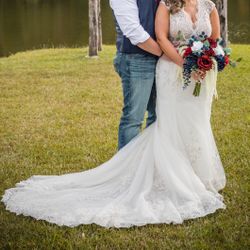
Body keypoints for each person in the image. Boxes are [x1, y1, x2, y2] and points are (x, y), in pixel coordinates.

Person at [1, 0, 226, 228]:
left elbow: (208, 36)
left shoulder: (200, 4)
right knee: (133, 119)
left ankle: (171, 174)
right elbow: (134, 30)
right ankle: (128, 179)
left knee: (165, 120)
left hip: (174, 68)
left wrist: (195, 58)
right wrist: (175, 55)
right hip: (140, 57)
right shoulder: (156, 3)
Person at [111, 0, 163, 149]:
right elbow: (134, 32)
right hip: (136, 59)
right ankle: (127, 169)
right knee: (134, 118)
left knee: (159, 115)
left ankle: (149, 163)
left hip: (160, 59)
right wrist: (165, 52)